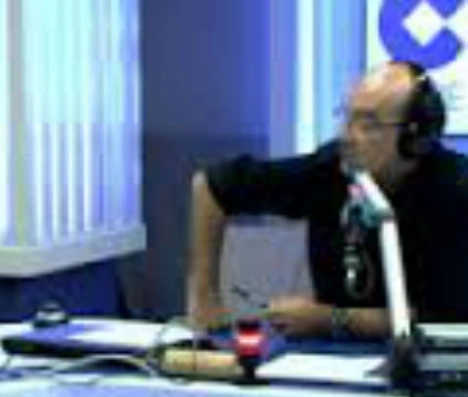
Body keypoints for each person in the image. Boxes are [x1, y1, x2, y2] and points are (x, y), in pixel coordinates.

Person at [186, 60, 468, 340]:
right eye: (346, 117)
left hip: (435, 356)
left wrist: (331, 319)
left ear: (416, 138)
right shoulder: (331, 168)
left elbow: (446, 317)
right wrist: (204, 299)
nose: (346, 136)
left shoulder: (456, 191)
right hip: (333, 356)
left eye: (368, 124)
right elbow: (212, 185)